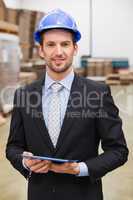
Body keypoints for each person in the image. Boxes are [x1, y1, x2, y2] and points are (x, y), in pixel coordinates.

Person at [6, 9, 128, 200]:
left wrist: (80, 169)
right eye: (51, 45)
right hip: (40, 195)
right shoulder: (24, 95)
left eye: (65, 44)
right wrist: (26, 163)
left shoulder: (97, 93)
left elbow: (118, 151)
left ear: (75, 48)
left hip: (83, 194)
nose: (58, 52)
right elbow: (13, 147)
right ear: (41, 50)